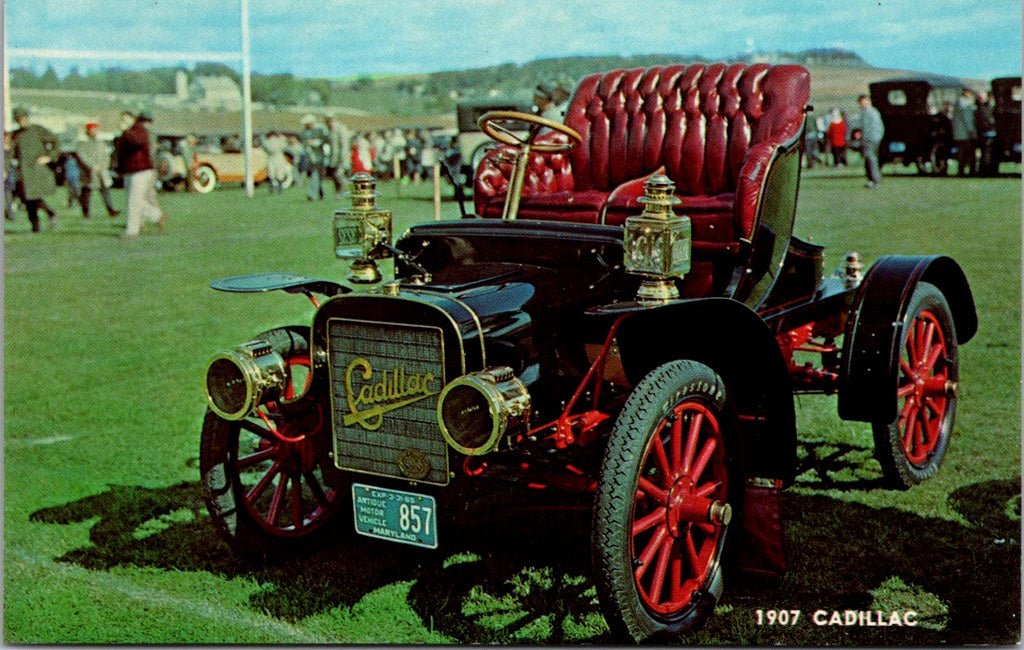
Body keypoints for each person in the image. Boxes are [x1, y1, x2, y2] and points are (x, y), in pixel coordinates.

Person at [9, 106, 59, 232]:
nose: (22, 121)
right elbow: (10, 152)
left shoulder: (38, 130)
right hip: (23, 172)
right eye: (19, 119)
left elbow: (55, 142)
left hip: (36, 171)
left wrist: (49, 157)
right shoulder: (15, 135)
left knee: (32, 197)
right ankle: (38, 224)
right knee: (27, 199)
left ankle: (47, 216)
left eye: (24, 118)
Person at [117, 111, 165, 239]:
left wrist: (126, 132)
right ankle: (157, 216)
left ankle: (132, 231)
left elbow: (137, 142)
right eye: (122, 119)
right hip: (130, 170)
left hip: (141, 170)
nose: (124, 122)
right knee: (134, 201)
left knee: (134, 202)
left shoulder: (139, 130)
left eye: (126, 119)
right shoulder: (128, 132)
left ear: (134, 119)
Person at [76, 122, 120, 218]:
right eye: (92, 130)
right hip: (89, 172)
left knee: (105, 191)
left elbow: (106, 156)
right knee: (86, 192)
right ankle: (86, 212)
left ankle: (111, 210)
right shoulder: (82, 143)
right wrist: (91, 166)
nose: (94, 132)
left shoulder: (101, 143)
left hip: (101, 172)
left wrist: (104, 166)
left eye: (95, 130)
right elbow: (82, 156)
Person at [857, 94, 884, 188]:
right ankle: (871, 179)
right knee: (869, 159)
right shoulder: (869, 112)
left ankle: (875, 180)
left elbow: (871, 127)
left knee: (871, 158)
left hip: (870, 139)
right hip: (870, 138)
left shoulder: (870, 112)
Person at [300, 114, 327, 200]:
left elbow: (324, 140)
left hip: (318, 156)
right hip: (310, 156)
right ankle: (320, 193)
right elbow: (303, 142)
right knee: (316, 175)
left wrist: (314, 142)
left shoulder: (319, 129)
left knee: (315, 174)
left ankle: (312, 193)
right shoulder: (304, 131)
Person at [951, 88, 977, 176]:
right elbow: (967, 119)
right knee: (970, 153)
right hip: (966, 133)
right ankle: (972, 171)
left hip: (959, 133)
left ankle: (961, 170)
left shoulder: (957, 102)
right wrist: (971, 131)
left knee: (961, 153)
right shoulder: (965, 103)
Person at [325, 115, 352, 197]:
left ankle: (350, 190)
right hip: (333, 158)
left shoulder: (341, 128)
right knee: (334, 176)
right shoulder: (330, 130)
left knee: (339, 175)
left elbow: (344, 145)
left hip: (341, 157)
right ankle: (338, 193)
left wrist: (343, 159)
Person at [974, 90, 998, 177]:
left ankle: (986, 170)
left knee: (986, 154)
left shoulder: (985, 107)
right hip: (985, 133)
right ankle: (984, 171)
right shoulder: (982, 108)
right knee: (985, 153)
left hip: (987, 133)